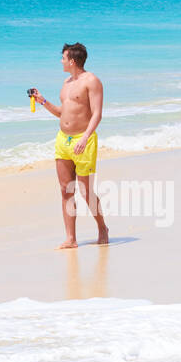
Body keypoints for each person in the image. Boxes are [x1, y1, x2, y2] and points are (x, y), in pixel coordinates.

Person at [28, 43, 109, 249]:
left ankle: (102, 228)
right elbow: (61, 113)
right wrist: (42, 100)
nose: (61, 61)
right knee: (65, 190)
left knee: (85, 191)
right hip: (63, 140)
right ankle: (71, 239)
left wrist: (85, 137)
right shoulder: (66, 83)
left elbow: (97, 114)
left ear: (72, 60)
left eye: (63, 58)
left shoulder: (92, 81)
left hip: (84, 139)